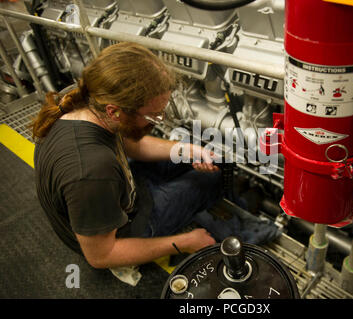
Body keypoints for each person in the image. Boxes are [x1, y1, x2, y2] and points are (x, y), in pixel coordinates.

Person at [32, 42, 222, 269]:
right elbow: (102, 256)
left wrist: (187, 150)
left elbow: (131, 146)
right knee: (209, 180)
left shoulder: (88, 103)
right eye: (153, 116)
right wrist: (185, 242)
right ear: (115, 111)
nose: (158, 120)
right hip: (120, 233)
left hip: (119, 192)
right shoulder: (92, 171)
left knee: (197, 161)